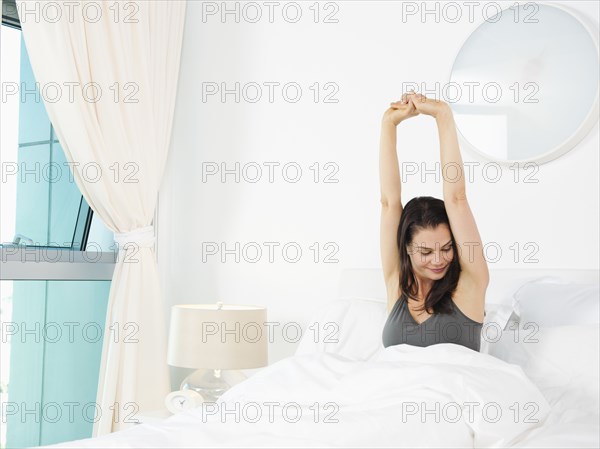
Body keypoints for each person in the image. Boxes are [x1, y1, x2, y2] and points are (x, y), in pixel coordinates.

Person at [379, 91, 489, 351]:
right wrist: (389, 124)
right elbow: (388, 203)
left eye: (447, 248)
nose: (438, 260)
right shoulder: (397, 285)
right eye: (425, 252)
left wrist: (443, 116)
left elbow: (457, 198)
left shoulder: (470, 286)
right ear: (406, 248)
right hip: (392, 390)